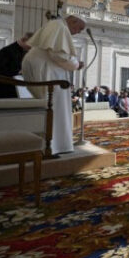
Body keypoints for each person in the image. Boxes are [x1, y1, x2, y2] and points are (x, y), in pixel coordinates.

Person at [22, 15, 85, 156]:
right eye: (79, 28)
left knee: (57, 105)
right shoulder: (59, 26)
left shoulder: (57, 25)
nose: (79, 32)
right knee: (55, 105)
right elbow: (58, 55)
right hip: (45, 70)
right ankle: (52, 146)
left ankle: (56, 144)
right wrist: (75, 64)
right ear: (73, 21)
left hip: (45, 67)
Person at [0, 32, 33, 98]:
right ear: (24, 40)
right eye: (31, 44)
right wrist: (18, 72)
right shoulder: (7, 50)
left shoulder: (23, 51)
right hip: (3, 90)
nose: (31, 48)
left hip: (13, 86)